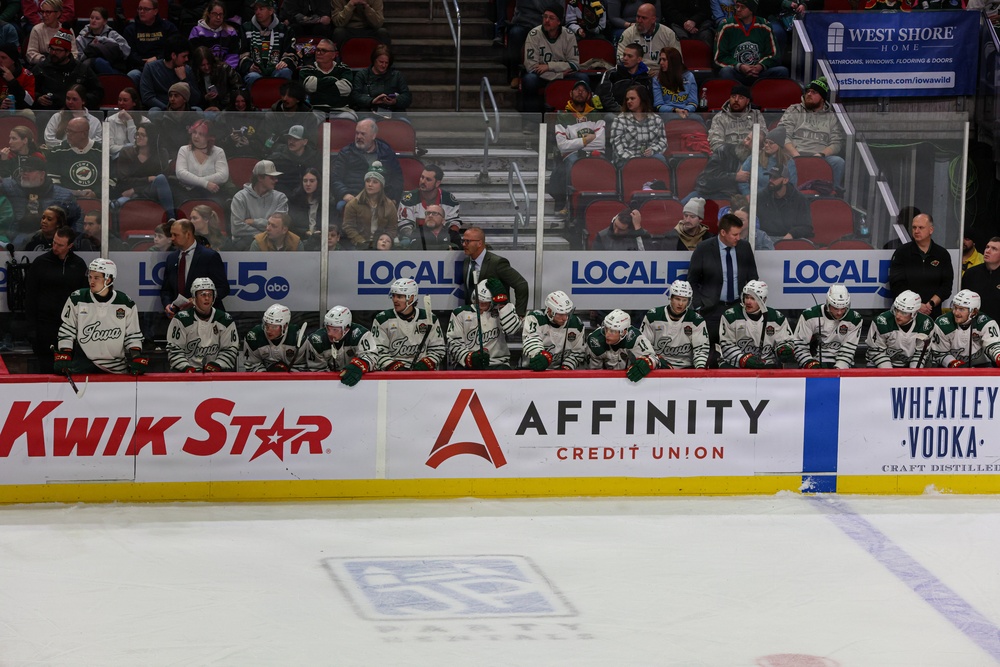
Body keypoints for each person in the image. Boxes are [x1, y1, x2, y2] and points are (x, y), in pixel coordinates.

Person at [54, 258, 147, 376]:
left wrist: (136, 357)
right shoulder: (77, 299)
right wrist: (65, 354)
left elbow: (132, 334)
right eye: (90, 277)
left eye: (96, 277)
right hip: (82, 367)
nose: (91, 281)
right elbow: (68, 329)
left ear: (108, 279)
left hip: (116, 369)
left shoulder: (126, 303)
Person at [687, 212, 759, 355]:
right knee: (711, 352)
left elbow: (753, 278)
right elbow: (692, 281)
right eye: (735, 234)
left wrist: (750, 304)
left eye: (739, 234)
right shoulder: (704, 248)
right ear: (723, 232)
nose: (738, 238)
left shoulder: (744, 248)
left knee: (739, 351)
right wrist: (699, 305)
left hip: (739, 308)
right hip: (712, 310)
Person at [25, 226, 88, 373]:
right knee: (46, 368)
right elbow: (30, 297)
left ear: (70, 246)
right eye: (54, 242)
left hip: (70, 326)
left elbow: (84, 298)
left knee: (68, 369)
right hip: (44, 326)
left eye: (60, 245)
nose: (55, 247)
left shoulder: (78, 264)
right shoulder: (40, 263)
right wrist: (31, 328)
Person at [778, 77, 845, 188]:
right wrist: (796, 155)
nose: (809, 94)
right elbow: (783, 135)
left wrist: (820, 155)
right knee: (789, 162)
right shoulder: (794, 110)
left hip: (820, 156)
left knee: (838, 162)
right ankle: (793, 195)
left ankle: (833, 194)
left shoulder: (831, 117)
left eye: (814, 92)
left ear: (823, 98)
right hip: (795, 154)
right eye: (808, 91)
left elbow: (836, 143)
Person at [551, 79, 605, 212]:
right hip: (571, 156)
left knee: (604, 165)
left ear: (588, 95)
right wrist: (586, 140)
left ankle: (598, 204)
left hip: (594, 154)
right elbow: (562, 146)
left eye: (584, 90)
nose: (580, 92)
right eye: (577, 89)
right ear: (570, 93)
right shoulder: (563, 116)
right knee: (573, 163)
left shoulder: (596, 115)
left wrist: (574, 142)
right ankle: (571, 205)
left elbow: (600, 142)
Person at [520, 4, 584, 116]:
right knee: (529, 80)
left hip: (552, 72)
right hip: (543, 76)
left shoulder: (569, 35)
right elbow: (531, 67)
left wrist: (549, 66)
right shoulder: (534, 34)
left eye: (551, 18)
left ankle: (580, 117)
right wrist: (559, 75)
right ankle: (531, 121)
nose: (546, 20)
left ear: (559, 22)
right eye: (545, 17)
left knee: (583, 79)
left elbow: (574, 64)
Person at [166, 277, 240, 372]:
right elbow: (174, 350)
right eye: (202, 294)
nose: (207, 298)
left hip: (216, 373)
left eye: (210, 294)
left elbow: (230, 350)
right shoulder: (181, 319)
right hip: (186, 373)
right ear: (194, 297)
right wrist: (186, 368)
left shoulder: (225, 319)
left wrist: (216, 366)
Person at [888, 213, 954, 319]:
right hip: (905, 314)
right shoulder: (901, 252)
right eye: (914, 227)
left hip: (932, 313)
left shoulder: (942, 254)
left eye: (921, 228)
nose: (916, 231)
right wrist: (917, 305)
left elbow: (946, 286)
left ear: (931, 230)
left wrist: (930, 304)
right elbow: (897, 284)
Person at [370, 277, 446, 371]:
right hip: (391, 375)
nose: (395, 300)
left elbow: (438, 349)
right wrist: (396, 368)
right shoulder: (382, 319)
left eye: (399, 296)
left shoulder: (429, 318)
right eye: (393, 296)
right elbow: (378, 351)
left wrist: (425, 364)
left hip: (423, 375)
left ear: (411, 298)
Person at [447, 278, 523, 370]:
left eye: (485, 303)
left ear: (492, 302)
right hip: (469, 363)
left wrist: (503, 304)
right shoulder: (460, 313)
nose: (480, 305)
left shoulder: (502, 311)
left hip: (498, 363)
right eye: (478, 301)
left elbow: (512, 330)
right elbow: (453, 342)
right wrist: (469, 358)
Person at [160, 218, 230, 317]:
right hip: (180, 318)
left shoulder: (209, 256)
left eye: (176, 235)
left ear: (188, 234)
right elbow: (166, 290)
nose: (172, 238)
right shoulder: (171, 258)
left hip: (207, 317)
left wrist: (196, 301)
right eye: (171, 235)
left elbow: (223, 288)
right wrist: (167, 304)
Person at [1, 156, 81, 241]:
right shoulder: (10, 187)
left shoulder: (63, 196)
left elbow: (77, 221)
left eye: (29, 170)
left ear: (42, 174)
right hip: (17, 237)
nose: (24, 173)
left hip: (51, 238)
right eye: (23, 170)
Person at [718, 280, 795, 368]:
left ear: (764, 299)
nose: (748, 302)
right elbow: (726, 346)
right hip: (737, 365)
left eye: (753, 298)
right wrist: (744, 359)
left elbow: (786, 342)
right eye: (747, 297)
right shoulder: (731, 316)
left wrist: (783, 349)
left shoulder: (777, 318)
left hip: (766, 363)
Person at [332, 118, 403, 211]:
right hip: (353, 198)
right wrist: (344, 194)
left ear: (373, 136)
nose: (358, 137)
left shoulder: (386, 152)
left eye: (363, 134)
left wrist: (393, 198)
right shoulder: (346, 153)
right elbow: (335, 178)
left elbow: (397, 177)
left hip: (381, 199)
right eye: (357, 133)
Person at [298, 307, 379, 387]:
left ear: (346, 328)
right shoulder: (316, 341)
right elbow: (317, 371)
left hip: (359, 385)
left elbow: (372, 356)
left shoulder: (361, 335)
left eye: (334, 330)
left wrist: (359, 366)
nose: (330, 334)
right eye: (328, 328)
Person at [461, 225, 530, 318]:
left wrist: (519, 314)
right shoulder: (467, 262)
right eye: (463, 241)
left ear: (479, 243)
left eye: (467, 241)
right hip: (473, 318)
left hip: (495, 319)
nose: (464, 244)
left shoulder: (497, 263)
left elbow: (521, 284)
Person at [714, 0, 788, 85]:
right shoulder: (726, 26)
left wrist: (760, 66)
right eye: (737, 6)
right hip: (737, 72)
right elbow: (719, 57)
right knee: (725, 71)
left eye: (742, 7)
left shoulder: (764, 25)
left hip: (759, 73)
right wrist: (740, 66)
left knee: (782, 71)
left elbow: (773, 54)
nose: (738, 9)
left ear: (752, 9)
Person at [641, 279, 710, 369]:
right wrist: (654, 361)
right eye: (677, 299)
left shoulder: (696, 320)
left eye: (684, 300)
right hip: (659, 365)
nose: (680, 304)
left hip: (686, 368)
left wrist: (700, 369)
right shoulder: (653, 316)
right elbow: (643, 345)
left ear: (689, 301)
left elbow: (701, 350)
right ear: (671, 298)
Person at [792, 284, 863, 369]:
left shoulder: (855, 319)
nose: (839, 312)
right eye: (836, 308)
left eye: (843, 308)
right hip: (814, 362)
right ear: (828, 304)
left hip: (843, 364)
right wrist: (810, 364)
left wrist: (838, 369)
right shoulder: (809, 315)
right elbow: (799, 345)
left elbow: (848, 350)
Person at [866, 290, 937, 368]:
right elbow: (876, 351)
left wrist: (914, 374)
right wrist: (889, 374)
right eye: (897, 310)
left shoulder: (925, 324)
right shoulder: (882, 321)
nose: (898, 316)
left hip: (910, 365)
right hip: (883, 365)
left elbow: (920, 353)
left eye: (904, 313)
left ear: (914, 313)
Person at [33, 32, 103, 110]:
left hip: (75, 112)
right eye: (51, 49)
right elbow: (30, 90)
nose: (53, 53)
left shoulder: (82, 69)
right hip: (48, 111)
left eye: (58, 50)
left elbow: (97, 92)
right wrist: (38, 98)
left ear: (67, 52)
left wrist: (82, 100)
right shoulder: (41, 68)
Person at [931, 290, 1000, 368]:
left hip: (981, 365)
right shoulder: (942, 324)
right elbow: (940, 353)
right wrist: (954, 363)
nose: (956, 313)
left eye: (961, 309)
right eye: (955, 307)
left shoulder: (987, 323)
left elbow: (993, 346)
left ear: (974, 312)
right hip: (950, 366)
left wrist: (998, 357)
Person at [114, 123, 174, 213]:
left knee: (161, 178)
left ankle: (171, 218)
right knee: (120, 202)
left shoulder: (161, 153)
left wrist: (136, 189)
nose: (138, 137)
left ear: (152, 137)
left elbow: (163, 181)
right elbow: (124, 180)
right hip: (128, 192)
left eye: (143, 135)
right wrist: (148, 179)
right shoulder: (127, 153)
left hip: (150, 191)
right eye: (137, 134)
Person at [397, 164, 462, 247]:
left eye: (428, 179)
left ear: (437, 183)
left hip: (442, 242)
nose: (423, 181)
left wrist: (442, 238)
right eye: (422, 177)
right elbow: (404, 226)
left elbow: (454, 225)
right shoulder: (409, 199)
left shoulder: (449, 200)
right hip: (417, 242)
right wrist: (422, 238)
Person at [586, 308, 658, 382]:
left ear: (623, 332)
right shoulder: (595, 341)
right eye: (606, 329)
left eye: (612, 331)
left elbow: (654, 359)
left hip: (631, 382)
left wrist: (646, 362)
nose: (607, 335)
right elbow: (595, 374)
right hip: (606, 382)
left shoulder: (635, 339)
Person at [521, 290, 587, 370]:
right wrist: (540, 356)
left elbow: (578, 352)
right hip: (532, 369)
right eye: (561, 314)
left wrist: (566, 368)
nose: (565, 318)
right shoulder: (535, 318)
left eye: (567, 313)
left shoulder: (576, 324)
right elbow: (531, 339)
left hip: (560, 372)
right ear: (549, 310)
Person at [238, 0, 298, 88]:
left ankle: (283, 101)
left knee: (285, 71)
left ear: (271, 11)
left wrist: (285, 62)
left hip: (277, 69)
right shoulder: (245, 28)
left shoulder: (284, 29)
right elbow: (241, 53)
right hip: (255, 70)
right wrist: (249, 66)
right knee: (253, 77)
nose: (257, 12)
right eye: (256, 9)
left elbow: (291, 53)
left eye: (261, 9)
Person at [173, 119, 231, 208]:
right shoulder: (184, 150)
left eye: (201, 134)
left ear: (209, 137)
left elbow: (223, 176)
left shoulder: (218, 152)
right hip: (187, 193)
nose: (196, 136)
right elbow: (181, 173)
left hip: (211, 193)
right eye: (194, 132)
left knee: (220, 205)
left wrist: (194, 181)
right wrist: (205, 184)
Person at [231, 159, 290, 246]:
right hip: (247, 241)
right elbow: (237, 229)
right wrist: (268, 232)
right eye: (272, 177)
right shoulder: (240, 197)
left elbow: (280, 227)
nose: (276, 180)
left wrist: (254, 222)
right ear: (260, 177)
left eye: (276, 177)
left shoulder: (281, 198)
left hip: (272, 242)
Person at [342, 161, 398, 250]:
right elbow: (348, 226)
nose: (370, 184)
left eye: (375, 182)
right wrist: (361, 242)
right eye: (367, 181)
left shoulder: (389, 205)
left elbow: (392, 228)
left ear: (382, 185)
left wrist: (384, 240)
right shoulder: (353, 204)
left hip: (381, 244)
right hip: (357, 244)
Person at [123, 0, 180, 85]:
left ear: (155, 11)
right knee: (132, 75)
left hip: (163, 65)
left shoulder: (168, 27)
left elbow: (174, 48)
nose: (141, 12)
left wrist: (157, 58)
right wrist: (144, 63)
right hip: (139, 67)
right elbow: (130, 53)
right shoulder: (130, 30)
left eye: (146, 9)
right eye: (140, 8)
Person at [47, 116, 103, 200]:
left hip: (97, 200)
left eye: (71, 132)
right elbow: (53, 182)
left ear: (84, 134)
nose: (68, 134)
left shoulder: (101, 151)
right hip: (64, 199)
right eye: (67, 131)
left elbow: (110, 181)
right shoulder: (58, 151)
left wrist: (96, 193)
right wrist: (74, 193)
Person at [609, 84, 666, 167]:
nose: (629, 101)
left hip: (649, 157)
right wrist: (634, 160)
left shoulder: (656, 119)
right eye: (627, 99)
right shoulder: (619, 120)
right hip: (627, 160)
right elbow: (617, 146)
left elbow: (663, 141)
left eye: (632, 98)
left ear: (642, 99)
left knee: (660, 159)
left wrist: (653, 150)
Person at [139, 35, 200, 112]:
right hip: (162, 109)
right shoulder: (151, 68)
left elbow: (196, 99)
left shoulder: (187, 70)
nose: (187, 59)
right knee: (154, 111)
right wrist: (167, 109)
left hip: (183, 110)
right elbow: (147, 97)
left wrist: (184, 80)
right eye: (184, 56)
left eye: (187, 56)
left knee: (198, 110)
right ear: (173, 55)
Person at [756, 163, 813, 242]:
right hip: (767, 238)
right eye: (770, 177)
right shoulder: (761, 197)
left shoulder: (800, 199)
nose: (770, 180)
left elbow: (806, 227)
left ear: (785, 180)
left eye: (775, 177)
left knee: (807, 243)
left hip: (791, 238)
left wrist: (791, 234)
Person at [351, 43, 412, 117]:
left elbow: (407, 97)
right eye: (381, 62)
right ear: (374, 60)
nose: (384, 65)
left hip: (393, 112)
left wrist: (395, 101)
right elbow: (355, 96)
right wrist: (372, 101)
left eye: (386, 63)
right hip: (368, 112)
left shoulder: (397, 75)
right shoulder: (362, 75)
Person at [300, 39, 355, 119]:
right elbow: (309, 87)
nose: (319, 53)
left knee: (348, 120)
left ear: (333, 55)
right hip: (315, 109)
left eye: (323, 50)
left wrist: (318, 86)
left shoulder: (343, 69)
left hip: (341, 110)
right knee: (309, 121)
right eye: (317, 50)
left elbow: (346, 89)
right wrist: (333, 80)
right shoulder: (306, 70)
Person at [242, 303, 306, 372]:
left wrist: (287, 379)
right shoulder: (254, 337)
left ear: (285, 326)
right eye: (267, 325)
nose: (268, 330)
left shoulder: (297, 337)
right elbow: (252, 365)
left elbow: (301, 366)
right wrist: (267, 379)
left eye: (274, 327)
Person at [616, 3, 678, 73]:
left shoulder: (668, 34)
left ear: (653, 19)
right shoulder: (628, 34)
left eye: (643, 18)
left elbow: (677, 60)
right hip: (637, 75)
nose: (639, 21)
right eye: (638, 17)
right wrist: (646, 70)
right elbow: (620, 59)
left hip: (662, 75)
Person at [737, 126, 795, 195]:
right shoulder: (754, 157)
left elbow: (792, 185)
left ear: (779, 145)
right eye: (766, 142)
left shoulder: (789, 162)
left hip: (779, 199)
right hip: (757, 199)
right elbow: (741, 179)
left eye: (771, 143)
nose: (767, 145)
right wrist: (747, 195)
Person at [597, 42, 652, 114]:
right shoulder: (611, 73)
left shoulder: (646, 77)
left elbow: (648, 101)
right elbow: (605, 97)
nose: (625, 58)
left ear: (639, 59)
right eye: (624, 55)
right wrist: (623, 112)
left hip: (638, 114)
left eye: (630, 56)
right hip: (615, 113)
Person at [707, 84, 764, 152]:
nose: (736, 100)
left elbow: (763, 136)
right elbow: (715, 143)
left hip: (752, 154)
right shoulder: (720, 117)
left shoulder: (756, 115)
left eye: (741, 97)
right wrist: (733, 152)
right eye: (733, 96)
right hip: (728, 156)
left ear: (747, 101)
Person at [76, 6, 130, 75]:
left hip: (111, 67)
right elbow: (79, 60)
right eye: (92, 18)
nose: (93, 20)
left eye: (97, 19)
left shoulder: (112, 34)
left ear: (104, 21)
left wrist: (103, 40)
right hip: (89, 68)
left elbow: (126, 51)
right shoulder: (82, 37)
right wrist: (92, 47)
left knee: (100, 62)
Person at [188, 1, 241, 70]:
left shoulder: (230, 32)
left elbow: (234, 55)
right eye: (215, 14)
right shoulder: (197, 31)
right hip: (204, 70)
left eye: (221, 14)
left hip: (225, 71)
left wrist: (225, 69)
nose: (218, 17)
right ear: (209, 14)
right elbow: (194, 55)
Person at [270, 124, 319, 196]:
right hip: (284, 197)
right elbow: (275, 183)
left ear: (305, 141)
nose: (291, 142)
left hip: (308, 197)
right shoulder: (278, 159)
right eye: (289, 138)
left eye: (295, 139)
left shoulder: (314, 158)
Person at [190, 46, 243, 112]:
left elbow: (237, 90)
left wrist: (220, 107)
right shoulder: (195, 74)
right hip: (205, 108)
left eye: (208, 64)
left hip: (226, 106)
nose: (206, 67)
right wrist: (205, 98)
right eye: (203, 65)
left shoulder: (225, 69)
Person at [26, 0, 78, 65]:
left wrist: (65, 61)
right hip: (45, 65)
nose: (44, 15)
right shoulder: (37, 29)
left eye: (48, 12)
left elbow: (74, 53)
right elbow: (30, 54)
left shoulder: (67, 30)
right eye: (42, 12)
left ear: (58, 14)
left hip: (64, 65)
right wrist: (47, 60)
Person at [23, 205, 93, 252]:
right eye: (43, 218)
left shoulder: (74, 241)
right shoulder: (31, 239)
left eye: (49, 219)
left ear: (58, 224)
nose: (44, 221)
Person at [961, 237, 1000, 320]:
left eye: (994, 249)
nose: (987, 251)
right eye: (987, 247)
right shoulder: (971, 274)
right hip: (974, 325)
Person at [652, 46, 696, 117]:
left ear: (673, 61)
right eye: (660, 60)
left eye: (664, 60)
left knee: (698, 120)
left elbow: (693, 102)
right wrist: (675, 110)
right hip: (667, 114)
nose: (660, 63)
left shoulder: (689, 76)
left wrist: (686, 110)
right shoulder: (657, 79)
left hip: (687, 112)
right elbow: (658, 105)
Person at [287, 168, 322, 243]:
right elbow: (290, 224)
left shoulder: (326, 201)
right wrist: (305, 232)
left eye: (312, 181)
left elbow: (333, 224)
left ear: (318, 182)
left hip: (321, 239)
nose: (308, 184)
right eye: (305, 181)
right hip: (300, 239)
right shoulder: (294, 200)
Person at [106, 88, 144, 158]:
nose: (121, 103)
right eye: (119, 100)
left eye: (125, 100)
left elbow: (139, 145)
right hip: (117, 160)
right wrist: (128, 148)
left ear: (134, 102)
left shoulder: (144, 121)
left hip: (138, 160)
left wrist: (130, 120)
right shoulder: (110, 120)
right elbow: (109, 147)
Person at [0, 45, 35, 112]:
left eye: (3, 58)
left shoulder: (26, 75)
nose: (0, 60)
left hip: (19, 112)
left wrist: (12, 82)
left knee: (28, 113)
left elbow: (30, 102)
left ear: (13, 60)